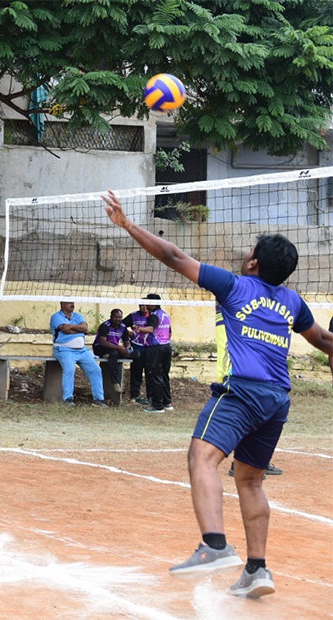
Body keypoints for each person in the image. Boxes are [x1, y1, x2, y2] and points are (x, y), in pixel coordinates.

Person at [104, 191, 333, 598]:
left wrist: (128, 224)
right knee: (249, 480)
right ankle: (257, 570)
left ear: (253, 263)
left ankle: (214, 545)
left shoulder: (235, 285)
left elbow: (174, 257)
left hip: (243, 390)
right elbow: (324, 341)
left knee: (202, 457)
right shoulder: (293, 303)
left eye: (249, 251)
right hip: (277, 399)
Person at [49, 300, 106, 405]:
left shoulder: (78, 316)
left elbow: (85, 328)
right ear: (62, 304)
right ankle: (68, 399)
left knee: (96, 370)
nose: (72, 304)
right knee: (69, 370)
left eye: (73, 302)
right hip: (64, 349)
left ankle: (99, 400)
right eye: (69, 303)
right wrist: (78, 329)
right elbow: (65, 329)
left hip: (82, 350)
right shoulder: (56, 317)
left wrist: (71, 327)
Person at [138, 294, 174, 413]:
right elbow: (169, 333)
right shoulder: (165, 315)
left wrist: (137, 328)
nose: (146, 304)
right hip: (166, 347)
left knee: (155, 375)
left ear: (153, 303)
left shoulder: (153, 316)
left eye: (148, 302)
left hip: (156, 348)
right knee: (164, 375)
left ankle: (157, 405)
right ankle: (167, 402)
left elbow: (150, 329)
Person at [92, 308, 132, 389]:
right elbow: (103, 342)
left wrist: (128, 349)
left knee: (136, 354)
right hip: (100, 347)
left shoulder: (123, 327)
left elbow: (126, 341)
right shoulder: (105, 326)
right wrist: (119, 348)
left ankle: (132, 388)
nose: (118, 319)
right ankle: (115, 382)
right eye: (115, 317)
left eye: (120, 317)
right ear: (111, 317)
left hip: (114, 348)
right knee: (114, 354)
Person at [123, 303, 152, 405]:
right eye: (141, 305)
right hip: (137, 347)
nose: (143, 307)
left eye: (145, 305)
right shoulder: (133, 316)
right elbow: (121, 326)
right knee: (136, 372)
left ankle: (151, 397)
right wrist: (128, 333)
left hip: (150, 348)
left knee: (150, 373)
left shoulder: (154, 316)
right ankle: (135, 396)